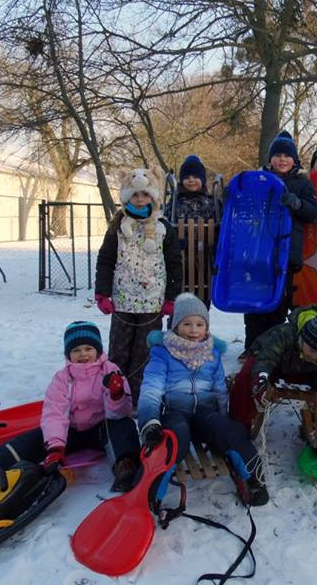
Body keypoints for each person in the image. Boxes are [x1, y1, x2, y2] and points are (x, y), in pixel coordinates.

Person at [0, 322, 141, 498]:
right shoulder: (62, 378)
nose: (83, 354)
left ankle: (126, 466)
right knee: (31, 440)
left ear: (98, 350)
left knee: (124, 427)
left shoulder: (110, 370)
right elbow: (54, 413)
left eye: (89, 348)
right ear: (68, 354)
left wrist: (116, 394)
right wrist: (55, 447)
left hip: (101, 426)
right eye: (77, 350)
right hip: (70, 430)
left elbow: (120, 412)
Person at [138, 293, 268, 506]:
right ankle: (149, 493)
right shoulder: (162, 353)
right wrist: (149, 421)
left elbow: (219, 389)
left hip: (205, 413)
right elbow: (151, 388)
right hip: (175, 412)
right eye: (186, 324)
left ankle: (254, 480)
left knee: (231, 431)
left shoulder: (212, 354)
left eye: (199, 324)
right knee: (172, 438)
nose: (193, 330)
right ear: (175, 326)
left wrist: (225, 418)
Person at [94, 167, 183, 408]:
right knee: (120, 351)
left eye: (145, 195)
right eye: (135, 195)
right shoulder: (117, 227)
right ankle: (116, 397)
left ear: (152, 197)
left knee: (145, 352)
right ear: (127, 197)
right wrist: (102, 292)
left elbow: (175, 264)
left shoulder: (164, 228)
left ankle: (138, 398)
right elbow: (105, 260)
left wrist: (171, 297)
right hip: (123, 301)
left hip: (152, 302)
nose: (140, 199)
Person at [243, 131, 317, 350]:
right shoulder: (259, 180)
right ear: (270, 159)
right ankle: (252, 348)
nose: (282, 160)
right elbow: (246, 208)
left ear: (294, 159)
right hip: (260, 251)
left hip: (287, 254)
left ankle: (272, 350)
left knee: (277, 303)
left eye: (287, 156)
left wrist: (296, 203)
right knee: (255, 302)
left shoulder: (302, 183)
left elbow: (312, 213)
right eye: (277, 155)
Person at [230, 307, 317, 443]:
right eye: (312, 350)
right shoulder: (284, 334)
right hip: (275, 366)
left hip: (304, 371)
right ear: (304, 337)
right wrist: (261, 380)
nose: (314, 356)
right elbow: (266, 359)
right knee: (250, 369)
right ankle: (240, 423)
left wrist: (315, 422)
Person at [172, 154, 217, 221]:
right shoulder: (176, 201)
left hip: (208, 231)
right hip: (178, 231)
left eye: (195, 177)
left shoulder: (211, 202)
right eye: (187, 177)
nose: (191, 180)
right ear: (182, 180)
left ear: (202, 179)